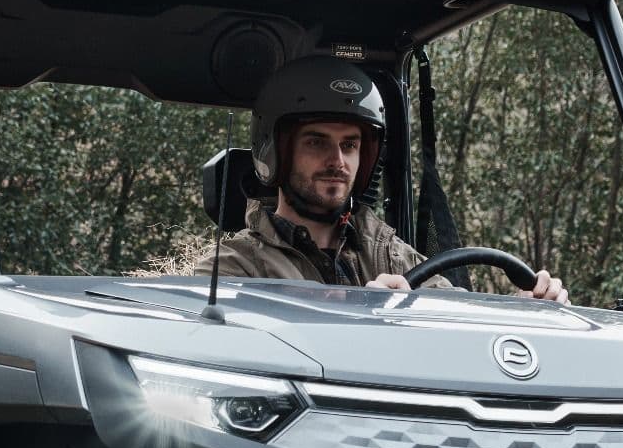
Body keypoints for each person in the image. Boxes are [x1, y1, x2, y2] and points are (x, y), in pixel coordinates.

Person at [214, 56, 571, 303]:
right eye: (316, 141)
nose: (337, 160)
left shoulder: (391, 255)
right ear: (276, 150)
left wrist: (525, 308)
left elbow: (459, 324)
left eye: (349, 145)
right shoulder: (232, 269)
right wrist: (363, 313)